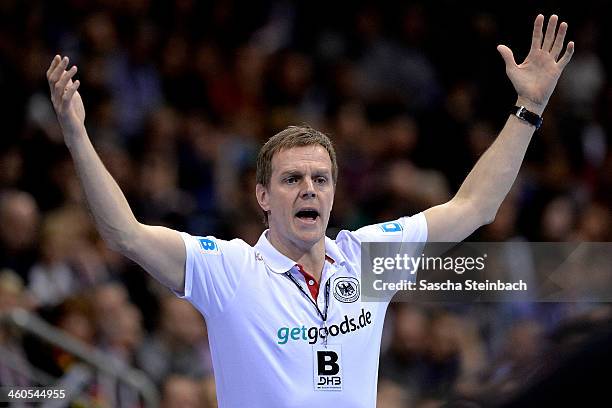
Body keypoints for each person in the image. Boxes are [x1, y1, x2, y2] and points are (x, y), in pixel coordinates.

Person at [46, 14, 573, 407]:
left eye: (321, 179)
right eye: (292, 179)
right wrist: (77, 135)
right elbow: (124, 233)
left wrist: (529, 108)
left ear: (335, 192)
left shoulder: (368, 259)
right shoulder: (229, 271)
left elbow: (475, 206)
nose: (309, 190)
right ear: (261, 196)